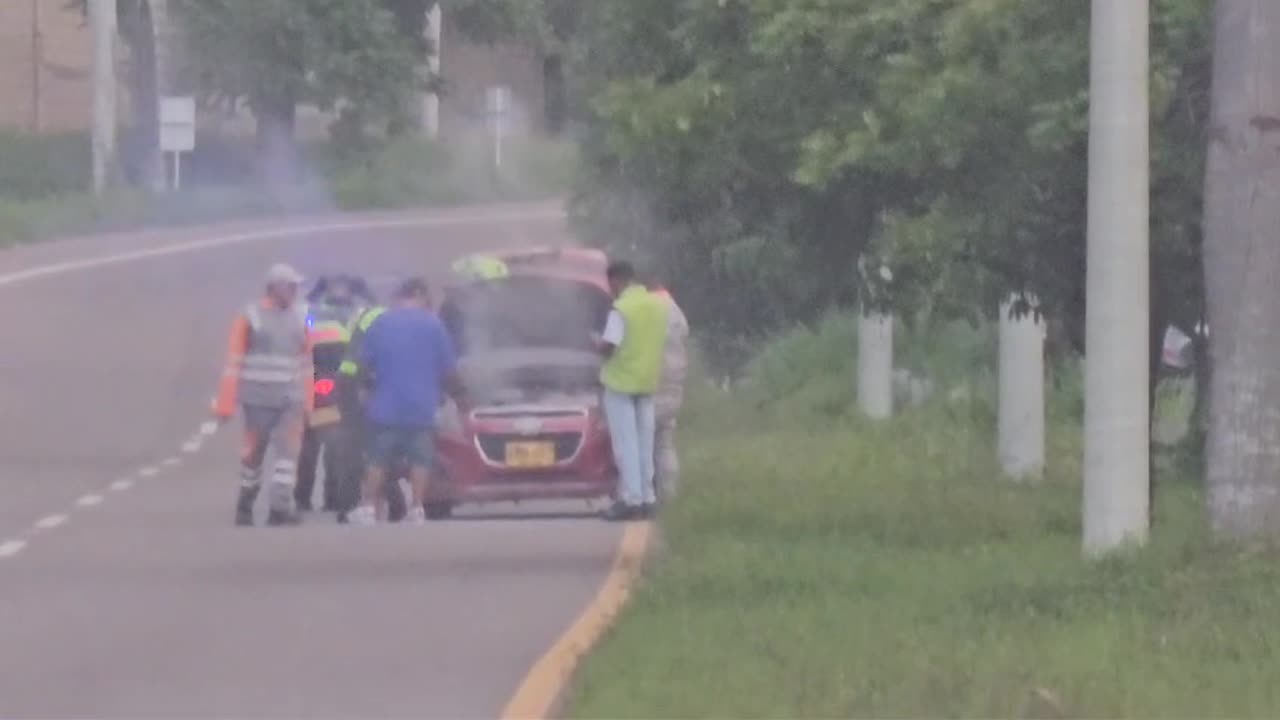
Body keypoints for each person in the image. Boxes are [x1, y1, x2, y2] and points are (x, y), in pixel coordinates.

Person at [346, 277, 461, 526]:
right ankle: (417, 508)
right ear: (422, 299)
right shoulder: (434, 325)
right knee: (420, 459)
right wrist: (456, 396)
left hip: (385, 406)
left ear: (399, 298)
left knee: (377, 459)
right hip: (422, 407)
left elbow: (363, 365)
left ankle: (367, 508)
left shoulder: (381, 323)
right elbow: (449, 369)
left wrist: (364, 392)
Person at [213, 262, 313, 527]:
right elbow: (234, 361)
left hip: (290, 398)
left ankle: (280, 507)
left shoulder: (304, 314)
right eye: (289, 286)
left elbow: (308, 357)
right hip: (257, 398)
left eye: (296, 287)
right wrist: (226, 404)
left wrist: (309, 401)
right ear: (273, 288)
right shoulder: (249, 316)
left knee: (288, 454)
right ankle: (245, 504)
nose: (294, 291)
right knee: (253, 454)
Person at [594, 260, 670, 521]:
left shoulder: (621, 309)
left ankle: (630, 499)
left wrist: (596, 345)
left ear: (615, 281)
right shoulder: (658, 306)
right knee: (644, 443)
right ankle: (648, 498)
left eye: (610, 285)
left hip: (621, 384)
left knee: (626, 444)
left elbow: (610, 346)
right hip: (647, 382)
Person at [294, 275, 368, 512]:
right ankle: (333, 497)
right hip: (338, 382)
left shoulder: (311, 311)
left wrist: (315, 291)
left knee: (311, 443)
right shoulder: (356, 313)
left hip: (313, 380)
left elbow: (299, 315)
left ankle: (302, 497)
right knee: (336, 442)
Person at [333, 300, 409, 524]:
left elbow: (354, 361)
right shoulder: (388, 321)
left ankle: (348, 507)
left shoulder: (367, 320)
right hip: (370, 391)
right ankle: (395, 504)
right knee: (380, 450)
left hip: (355, 391)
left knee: (355, 451)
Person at [648, 282, 689, 503]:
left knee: (643, 441)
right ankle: (670, 495)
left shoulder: (651, 312)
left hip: (652, 384)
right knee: (664, 442)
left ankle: (643, 495)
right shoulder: (678, 316)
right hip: (674, 385)